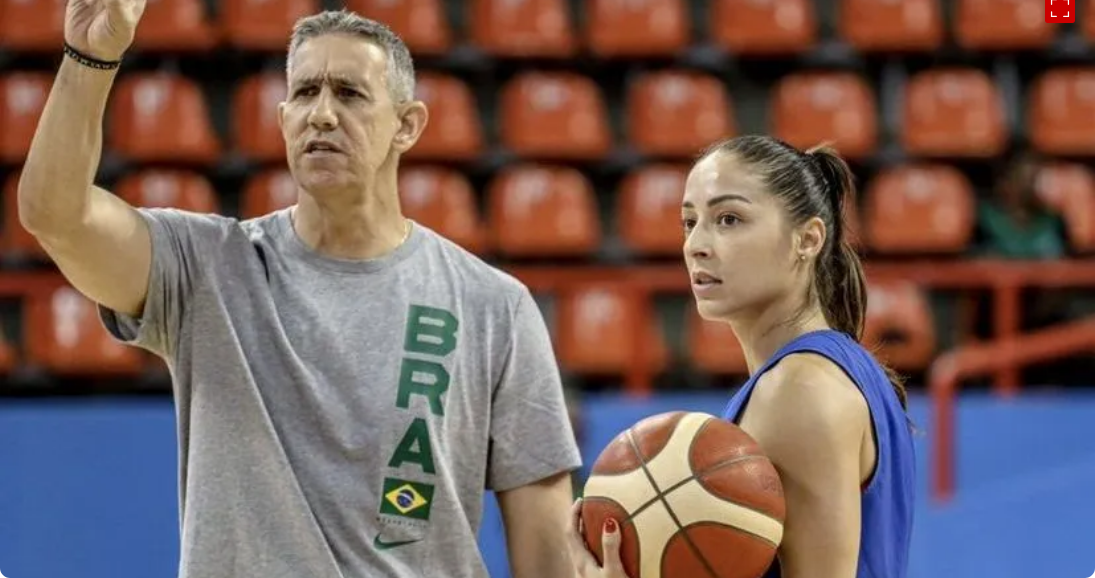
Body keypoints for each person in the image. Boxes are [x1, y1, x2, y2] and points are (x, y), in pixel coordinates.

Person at [19, 4, 581, 578]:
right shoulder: (206, 266)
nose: (323, 115)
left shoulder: (492, 305)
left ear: (407, 125)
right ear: (284, 118)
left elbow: (546, 551)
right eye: (306, 93)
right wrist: (93, 55)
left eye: (350, 94)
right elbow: (55, 216)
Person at [568, 135, 916, 578]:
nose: (696, 243)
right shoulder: (832, 370)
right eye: (689, 222)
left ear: (807, 239)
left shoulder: (799, 390)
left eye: (728, 219)